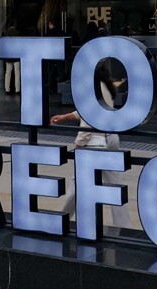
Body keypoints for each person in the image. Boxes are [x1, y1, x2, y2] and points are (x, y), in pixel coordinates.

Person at [50, 61, 129, 233]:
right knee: (114, 184)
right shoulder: (105, 86)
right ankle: (123, 225)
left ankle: (61, 220)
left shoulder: (90, 89)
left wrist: (79, 144)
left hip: (95, 142)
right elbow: (89, 112)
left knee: (77, 185)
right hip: (111, 138)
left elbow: (87, 122)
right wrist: (66, 117)